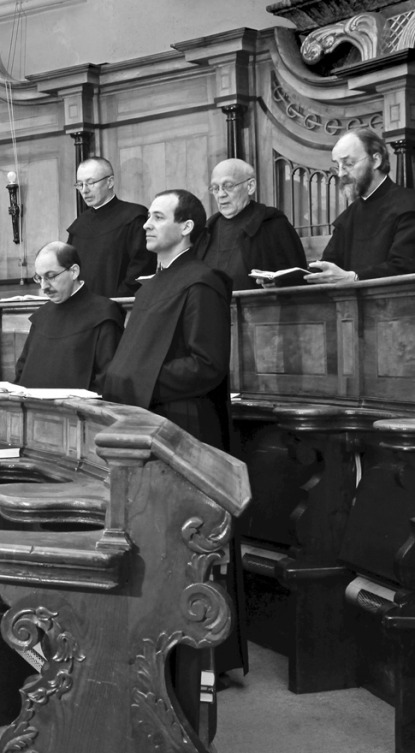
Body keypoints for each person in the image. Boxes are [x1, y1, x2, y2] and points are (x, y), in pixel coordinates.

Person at [103, 188, 247, 734]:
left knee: (190, 547)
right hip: (148, 424)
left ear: (187, 227)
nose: (147, 225)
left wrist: (134, 384)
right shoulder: (153, 284)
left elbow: (206, 365)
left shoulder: (202, 281)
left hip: (184, 429)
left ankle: (202, 655)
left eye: (158, 217)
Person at [305, 128, 415, 284]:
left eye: (348, 164)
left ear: (376, 161)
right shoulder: (348, 216)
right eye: (337, 166)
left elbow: (404, 267)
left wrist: (354, 277)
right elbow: (328, 265)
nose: (341, 174)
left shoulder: (409, 205)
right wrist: (287, 278)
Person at [15, 242, 125, 392]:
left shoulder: (104, 313)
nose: (43, 287)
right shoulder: (42, 316)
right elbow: (21, 372)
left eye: (50, 276)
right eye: (39, 278)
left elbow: (107, 379)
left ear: (74, 271)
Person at [194, 157, 307, 290]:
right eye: (215, 188)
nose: (220, 194)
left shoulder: (272, 224)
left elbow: (296, 282)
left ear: (250, 186)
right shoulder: (207, 231)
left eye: (228, 186)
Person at [67, 157, 156, 296]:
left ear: (110, 182)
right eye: (80, 184)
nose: (84, 190)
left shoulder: (134, 217)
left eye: (91, 183)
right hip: (82, 305)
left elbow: (142, 269)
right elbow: (69, 268)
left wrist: (113, 302)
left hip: (121, 304)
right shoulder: (79, 225)